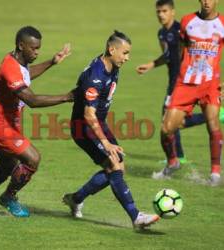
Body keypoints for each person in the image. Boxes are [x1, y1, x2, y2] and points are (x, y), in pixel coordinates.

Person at [0, 26, 73, 217]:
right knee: (32, 159)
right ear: (21, 45)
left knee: (8, 166)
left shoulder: (18, 62)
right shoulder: (9, 68)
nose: (37, 52)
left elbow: (26, 74)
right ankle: (8, 197)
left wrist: (52, 62)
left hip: (6, 124)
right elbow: (31, 100)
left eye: (39, 48)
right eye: (34, 48)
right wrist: (66, 97)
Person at [63, 30, 160, 229]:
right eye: (124, 53)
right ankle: (136, 216)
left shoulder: (111, 65)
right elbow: (89, 115)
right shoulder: (96, 76)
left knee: (118, 167)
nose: (127, 58)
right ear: (111, 49)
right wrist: (106, 142)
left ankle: (76, 198)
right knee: (114, 166)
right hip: (84, 127)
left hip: (99, 123)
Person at [153, 0, 223, 186]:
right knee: (166, 128)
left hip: (210, 84)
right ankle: (173, 162)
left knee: (213, 124)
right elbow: (180, 51)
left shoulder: (222, 23)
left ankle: (215, 174)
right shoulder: (187, 21)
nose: (207, 1)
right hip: (186, 83)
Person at [136, 0, 206, 164]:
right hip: (172, 80)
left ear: (173, 12)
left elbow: (194, 52)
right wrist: (152, 65)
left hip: (182, 81)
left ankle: (214, 115)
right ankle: (179, 157)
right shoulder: (161, 33)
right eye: (158, 12)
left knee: (168, 121)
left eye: (164, 11)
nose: (161, 14)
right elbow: (168, 56)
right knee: (169, 120)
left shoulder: (180, 31)